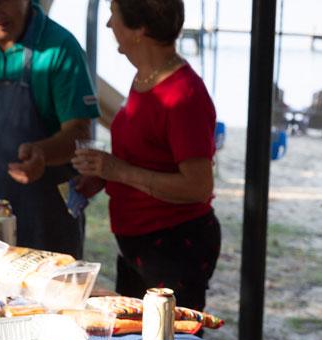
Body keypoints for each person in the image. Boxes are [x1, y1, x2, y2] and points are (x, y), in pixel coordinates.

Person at [71, 0, 218, 310]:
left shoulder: (183, 95)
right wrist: (102, 176)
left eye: (114, 16)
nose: (109, 25)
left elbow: (198, 186)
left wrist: (118, 172)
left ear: (139, 30)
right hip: (139, 244)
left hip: (174, 245)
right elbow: (148, 155)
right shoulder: (146, 78)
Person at [0, 0, 99, 257]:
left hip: (48, 223)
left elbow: (80, 131)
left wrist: (42, 153)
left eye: (4, 0)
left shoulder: (61, 48)